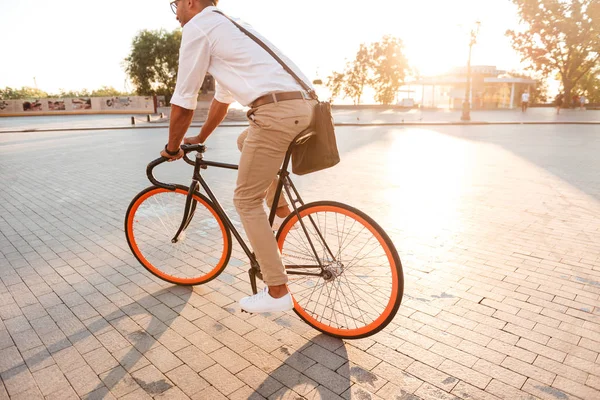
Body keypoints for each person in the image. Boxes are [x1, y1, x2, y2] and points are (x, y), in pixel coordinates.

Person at [160, 0, 317, 313]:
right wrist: (201, 137)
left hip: (276, 113)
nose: (175, 12)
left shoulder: (197, 28)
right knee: (245, 140)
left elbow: (184, 99)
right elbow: (222, 99)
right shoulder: (229, 25)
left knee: (245, 200)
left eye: (175, 4)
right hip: (309, 108)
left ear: (190, 3)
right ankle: (282, 208)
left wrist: (172, 146)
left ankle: (277, 291)